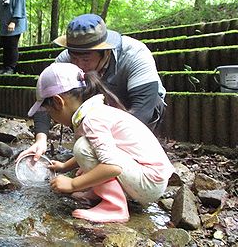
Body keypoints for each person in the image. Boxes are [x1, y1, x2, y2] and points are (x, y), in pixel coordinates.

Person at [27, 62, 174, 223]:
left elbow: (112, 167)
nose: (53, 119)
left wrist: (73, 184)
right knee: (86, 148)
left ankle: (115, 206)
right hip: (148, 175)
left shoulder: (92, 120)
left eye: (49, 112)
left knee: (82, 148)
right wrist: (64, 167)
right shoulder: (95, 111)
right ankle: (101, 193)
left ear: (58, 102)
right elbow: (98, 149)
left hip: (149, 182)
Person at [21, 13, 166, 161]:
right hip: (97, 112)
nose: (78, 65)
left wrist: (104, 151)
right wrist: (41, 139)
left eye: (86, 59)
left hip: (135, 111)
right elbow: (47, 97)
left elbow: (144, 108)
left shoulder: (134, 55)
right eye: (74, 57)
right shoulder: (65, 59)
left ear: (106, 51)